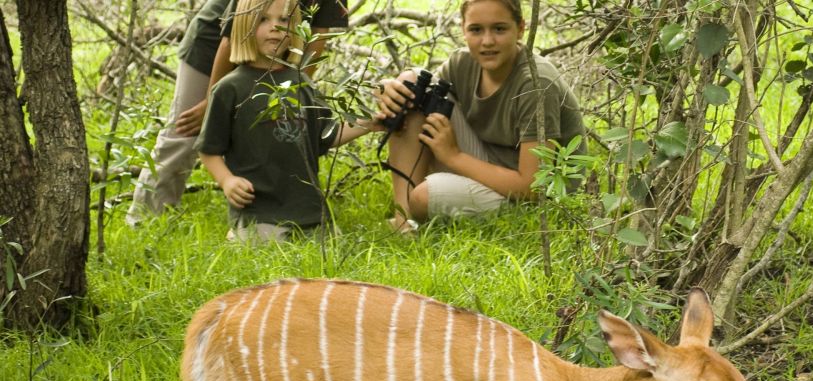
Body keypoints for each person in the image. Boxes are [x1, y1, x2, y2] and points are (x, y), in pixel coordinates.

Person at [126, 0, 347, 226]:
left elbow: (319, 34)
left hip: (269, 44)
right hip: (214, 43)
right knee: (186, 130)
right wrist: (212, 102)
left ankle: (268, 213)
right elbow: (229, 40)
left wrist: (294, 90)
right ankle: (145, 217)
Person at [375, 0, 586, 232]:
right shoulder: (462, 63)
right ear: (463, 29)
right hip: (487, 163)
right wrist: (388, 88)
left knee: (423, 197)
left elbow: (533, 187)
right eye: (476, 29)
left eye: (499, 29)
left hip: (532, 198)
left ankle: (418, 206)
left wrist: (453, 156)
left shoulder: (536, 84)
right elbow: (416, 97)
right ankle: (404, 223)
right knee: (412, 85)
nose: (487, 41)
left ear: (521, 28)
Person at [197, 0, 370, 242]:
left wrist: (370, 123)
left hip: (309, 212)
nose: (275, 27)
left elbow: (325, 136)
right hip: (258, 211)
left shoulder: (303, 83)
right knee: (260, 245)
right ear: (243, 25)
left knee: (333, 249)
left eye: (284, 20)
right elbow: (208, 149)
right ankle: (239, 233)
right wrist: (227, 181)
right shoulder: (230, 88)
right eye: (263, 20)